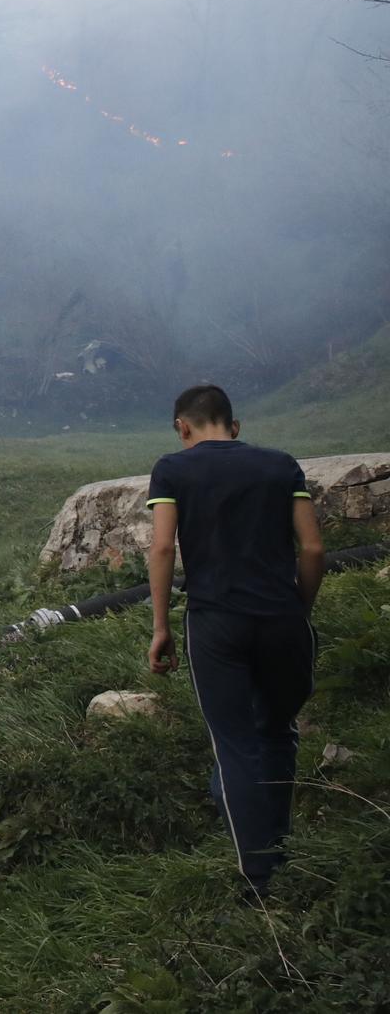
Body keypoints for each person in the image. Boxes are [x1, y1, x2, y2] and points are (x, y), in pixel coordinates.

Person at [146, 383, 324, 899]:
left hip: (216, 624)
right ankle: (278, 846)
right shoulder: (281, 465)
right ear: (235, 426)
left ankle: (262, 883)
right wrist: (298, 611)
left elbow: (161, 548)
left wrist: (161, 628)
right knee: (277, 732)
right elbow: (312, 549)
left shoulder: (173, 469)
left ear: (183, 428)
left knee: (236, 746)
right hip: (283, 621)